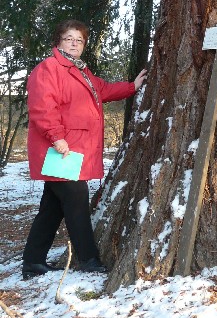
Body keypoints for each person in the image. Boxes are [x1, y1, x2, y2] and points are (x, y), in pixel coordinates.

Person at [22, 19, 147, 279]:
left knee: (52, 208)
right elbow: (42, 108)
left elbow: (103, 90)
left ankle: (33, 262)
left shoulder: (81, 71)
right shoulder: (49, 69)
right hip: (61, 151)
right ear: (58, 41)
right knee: (77, 203)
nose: (74, 43)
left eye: (79, 40)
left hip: (73, 151)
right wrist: (56, 137)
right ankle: (89, 260)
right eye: (69, 38)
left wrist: (133, 86)